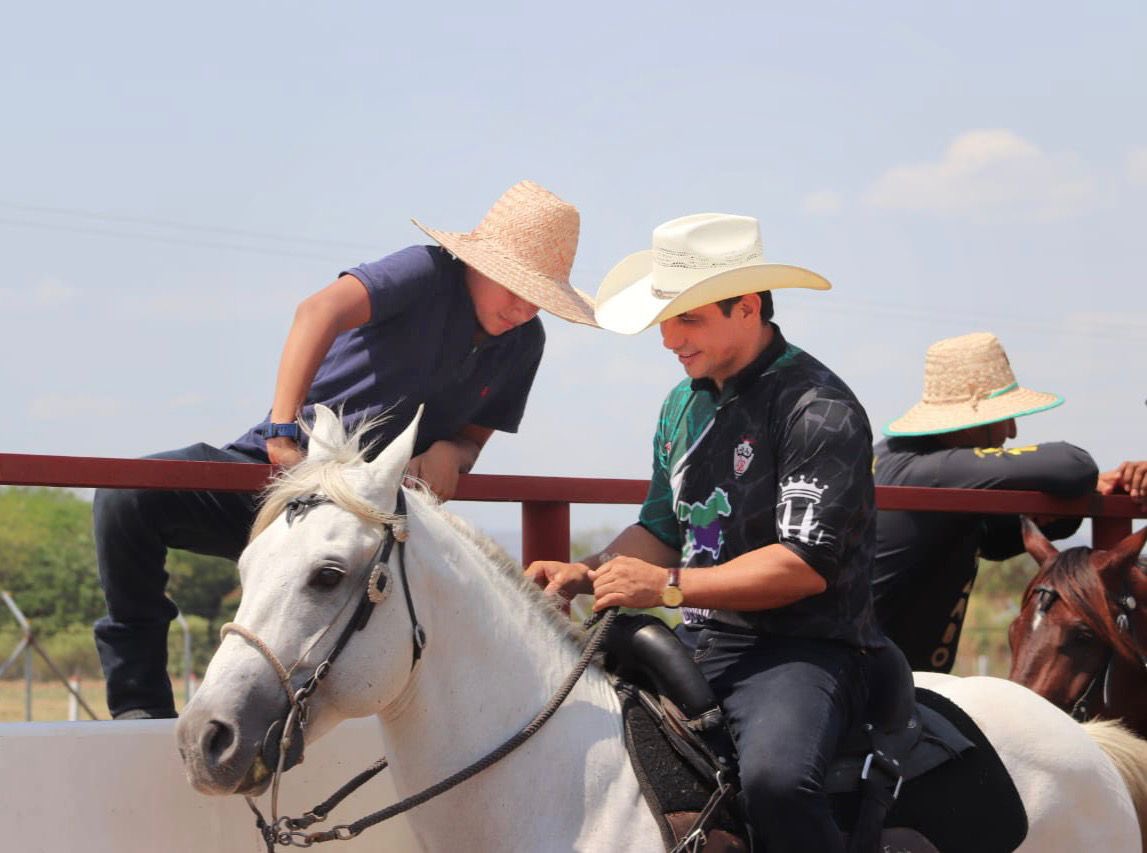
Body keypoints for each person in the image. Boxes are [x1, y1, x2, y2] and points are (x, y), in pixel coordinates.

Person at [94, 180, 595, 720]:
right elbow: (317, 312)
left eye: (539, 296)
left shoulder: (525, 343)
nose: (524, 307)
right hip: (295, 480)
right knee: (129, 495)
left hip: (373, 521)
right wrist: (281, 433)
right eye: (516, 286)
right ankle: (139, 706)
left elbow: (474, 437)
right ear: (478, 263)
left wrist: (454, 452)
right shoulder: (425, 273)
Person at [527, 213, 885, 853]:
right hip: (699, 636)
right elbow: (663, 527)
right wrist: (588, 572)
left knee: (778, 783)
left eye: (688, 319)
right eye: (666, 319)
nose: (669, 340)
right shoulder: (681, 405)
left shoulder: (818, 409)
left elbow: (803, 565)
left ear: (747, 308)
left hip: (801, 648)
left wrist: (665, 587)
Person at [872, 332, 1098, 673]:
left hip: (881, 679)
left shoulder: (907, 460)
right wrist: (1088, 484)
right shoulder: (929, 471)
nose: (1012, 431)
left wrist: (1061, 510)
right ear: (969, 424)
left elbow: (994, 540)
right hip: (866, 685)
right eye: (1004, 416)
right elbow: (1073, 465)